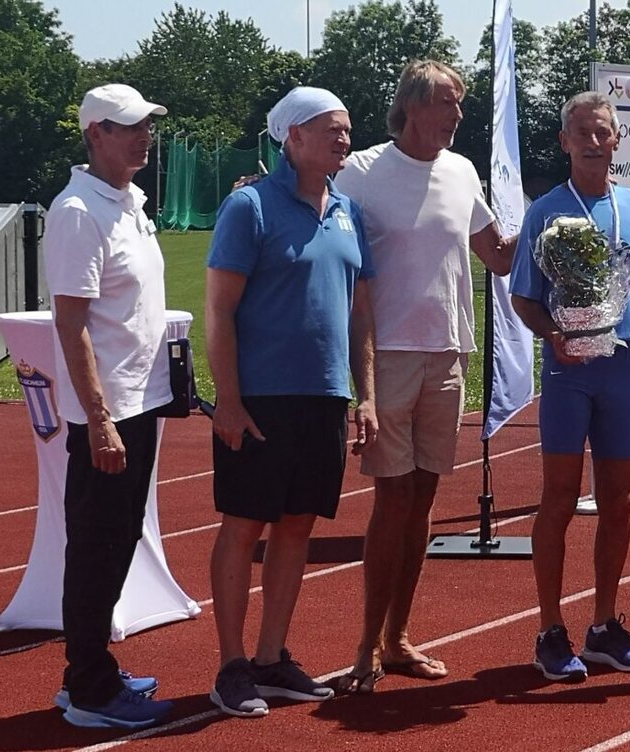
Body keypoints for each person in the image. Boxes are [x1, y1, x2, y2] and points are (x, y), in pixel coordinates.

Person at [330, 60, 513, 694]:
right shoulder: (360, 171)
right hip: (387, 357)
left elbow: (497, 255)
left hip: (448, 354)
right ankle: (364, 644)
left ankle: (398, 638)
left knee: (425, 503)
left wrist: (561, 222)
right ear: (412, 106)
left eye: (460, 104)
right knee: (392, 500)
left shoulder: (462, 172)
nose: (458, 115)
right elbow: (322, 237)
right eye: (448, 103)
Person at [205, 87, 377, 716]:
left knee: (298, 524)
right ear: (293, 138)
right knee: (245, 524)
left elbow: (361, 316)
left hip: (325, 397)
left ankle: (271, 656)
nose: (343, 139)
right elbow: (219, 310)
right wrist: (227, 399)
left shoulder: (350, 212)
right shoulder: (248, 206)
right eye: (330, 130)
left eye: (348, 129)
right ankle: (230, 665)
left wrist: (366, 395)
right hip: (260, 399)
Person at [510, 91, 630, 682]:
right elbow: (523, 296)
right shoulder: (546, 211)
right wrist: (553, 336)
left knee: (619, 500)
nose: (594, 142)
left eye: (603, 132)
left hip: (621, 369)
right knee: (560, 498)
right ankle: (550, 629)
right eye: (582, 133)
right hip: (570, 373)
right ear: (564, 142)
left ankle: (604, 625)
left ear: (616, 138)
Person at [44, 83, 174, 729]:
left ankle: (88, 676)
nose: (142, 135)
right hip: (110, 414)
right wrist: (98, 421)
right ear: (94, 133)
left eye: (146, 124)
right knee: (96, 548)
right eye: (128, 127)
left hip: (139, 405)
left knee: (118, 541)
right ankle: (91, 691)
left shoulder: (128, 202)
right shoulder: (77, 211)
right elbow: (71, 323)